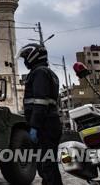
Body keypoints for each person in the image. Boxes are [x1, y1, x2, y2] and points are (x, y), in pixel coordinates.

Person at [17, 43, 63, 185]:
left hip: (45, 125)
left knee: (46, 166)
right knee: (49, 165)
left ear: (34, 56)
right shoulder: (48, 72)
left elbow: (40, 102)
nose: (25, 61)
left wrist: (35, 127)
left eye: (25, 57)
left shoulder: (39, 73)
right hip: (50, 123)